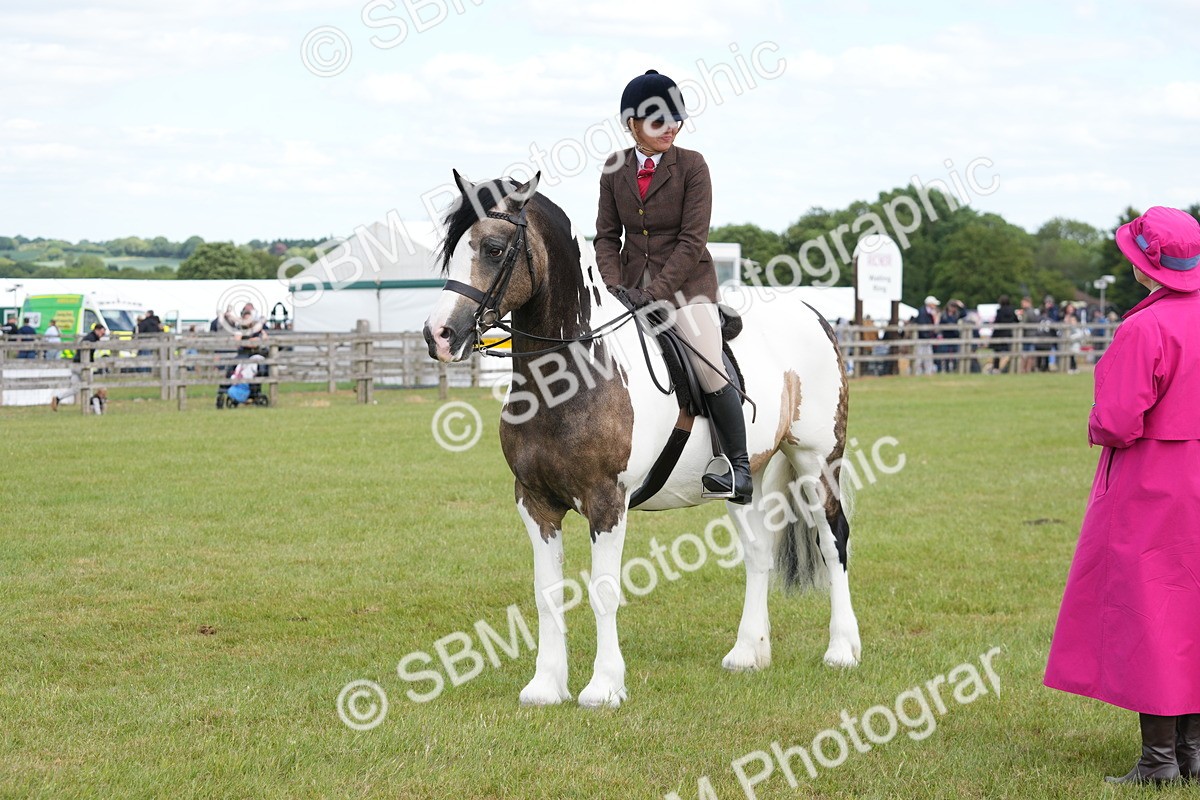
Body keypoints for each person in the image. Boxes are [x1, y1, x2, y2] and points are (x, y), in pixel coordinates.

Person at [1044, 206, 1200, 785]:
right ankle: (1193, 753)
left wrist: (1096, 418)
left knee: (1153, 611)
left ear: (1145, 266)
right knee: (1193, 610)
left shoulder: (1144, 328)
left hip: (1153, 483)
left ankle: (1159, 762)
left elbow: (1116, 421)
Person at [594, 69, 750, 504]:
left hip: (687, 288)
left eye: (676, 119)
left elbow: (692, 240)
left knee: (706, 364)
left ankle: (737, 467)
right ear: (632, 124)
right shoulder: (614, 168)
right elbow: (607, 237)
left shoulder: (693, 166)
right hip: (627, 290)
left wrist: (654, 292)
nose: (671, 128)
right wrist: (613, 288)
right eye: (659, 121)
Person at [50, 323, 107, 411]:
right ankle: (93, 407)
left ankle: (58, 398)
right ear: (97, 330)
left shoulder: (89, 337)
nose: (102, 335)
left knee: (75, 389)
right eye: (102, 333)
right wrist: (90, 365)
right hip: (82, 366)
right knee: (88, 386)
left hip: (75, 365)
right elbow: (88, 354)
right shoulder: (91, 339)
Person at [912, 296, 940, 375]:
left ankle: (928, 372)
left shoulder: (929, 312)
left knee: (928, 356)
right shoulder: (923, 312)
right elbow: (922, 326)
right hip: (922, 338)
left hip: (926, 338)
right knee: (920, 356)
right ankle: (917, 372)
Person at [991, 294, 1018, 373]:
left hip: (999, 334)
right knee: (1011, 351)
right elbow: (1016, 321)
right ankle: (1010, 368)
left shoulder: (999, 311)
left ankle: (996, 368)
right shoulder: (1012, 310)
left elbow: (996, 322)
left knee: (997, 352)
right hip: (1009, 334)